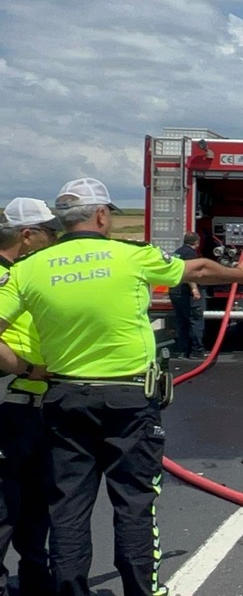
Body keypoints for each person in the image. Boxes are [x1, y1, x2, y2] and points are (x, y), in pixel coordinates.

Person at [0, 178, 243, 596]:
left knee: (67, 507)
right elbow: (195, 269)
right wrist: (241, 273)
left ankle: (69, 590)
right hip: (127, 400)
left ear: (62, 222)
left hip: (64, 398)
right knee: (134, 503)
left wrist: (29, 368)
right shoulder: (130, 257)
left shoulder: (29, 269)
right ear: (102, 216)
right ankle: (142, 591)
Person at [0, 198, 61, 596]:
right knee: (5, 502)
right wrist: (25, 368)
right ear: (27, 236)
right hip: (9, 403)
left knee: (37, 500)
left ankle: (36, 580)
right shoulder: (6, 278)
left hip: (35, 406)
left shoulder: (23, 273)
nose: (55, 241)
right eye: (50, 233)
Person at [167, 232, 205, 360]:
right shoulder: (190, 254)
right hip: (185, 292)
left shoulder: (178, 252)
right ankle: (196, 351)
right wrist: (194, 289)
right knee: (195, 320)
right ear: (197, 242)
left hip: (174, 291)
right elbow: (189, 273)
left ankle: (183, 350)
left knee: (181, 322)